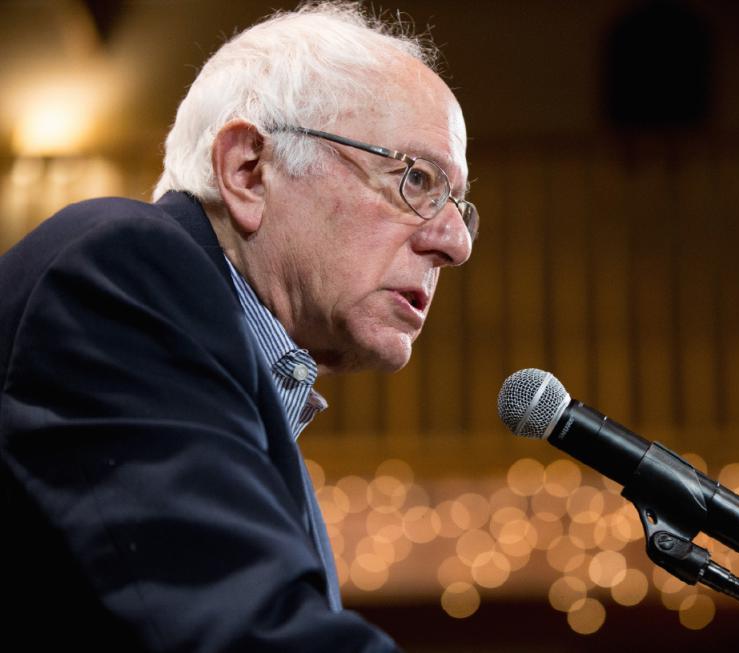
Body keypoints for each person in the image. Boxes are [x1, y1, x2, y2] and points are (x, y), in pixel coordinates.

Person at [0, 2, 477, 650]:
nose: (455, 242)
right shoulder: (120, 272)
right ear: (249, 170)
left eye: (457, 203)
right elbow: (252, 633)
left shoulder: (235, 380)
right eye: (415, 179)